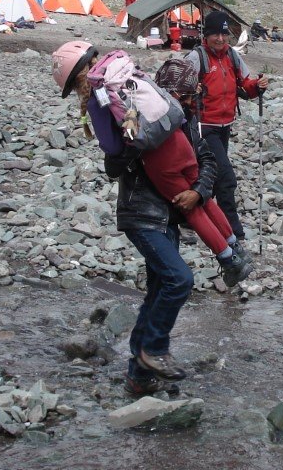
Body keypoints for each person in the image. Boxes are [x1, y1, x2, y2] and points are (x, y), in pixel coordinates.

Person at [53, 41, 213, 395]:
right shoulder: (122, 105)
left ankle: (138, 377)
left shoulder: (173, 113)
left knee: (160, 287)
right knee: (179, 280)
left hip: (166, 212)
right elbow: (113, 162)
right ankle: (154, 351)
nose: (184, 99)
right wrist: (135, 142)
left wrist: (198, 191)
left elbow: (208, 161)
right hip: (140, 214)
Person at [146, 59, 252, 287]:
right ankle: (234, 248)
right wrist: (200, 190)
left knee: (195, 208)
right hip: (184, 163)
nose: (187, 103)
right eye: (185, 98)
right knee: (205, 204)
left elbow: (206, 158)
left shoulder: (159, 110)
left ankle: (228, 258)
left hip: (167, 183)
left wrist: (198, 192)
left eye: (188, 98)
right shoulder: (187, 116)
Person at [185, 11, 268, 240]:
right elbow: (179, 89)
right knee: (226, 178)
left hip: (225, 126)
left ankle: (194, 218)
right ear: (206, 35)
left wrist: (258, 85)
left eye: (224, 34)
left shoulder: (232, 56)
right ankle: (232, 231)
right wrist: (193, 91)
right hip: (203, 126)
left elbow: (246, 85)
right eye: (215, 34)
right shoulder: (196, 57)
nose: (220, 39)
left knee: (209, 175)